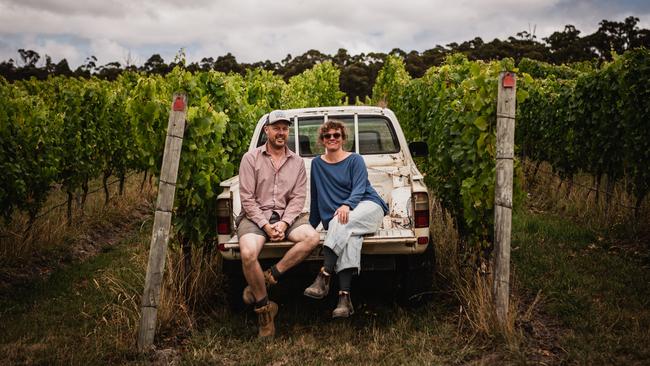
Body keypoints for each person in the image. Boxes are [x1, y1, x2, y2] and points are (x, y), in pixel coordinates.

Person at [237, 109, 320, 338]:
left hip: (287, 217)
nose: (281, 133)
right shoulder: (250, 158)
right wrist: (265, 225)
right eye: (276, 128)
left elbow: (297, 198)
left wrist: (283, 223)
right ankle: (265, 310)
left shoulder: (297, 162)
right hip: (256, 217)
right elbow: (247, 198)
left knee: (312, 238)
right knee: (247, 254)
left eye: (285, 128)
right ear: (267, 131)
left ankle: (270, 276)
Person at [304, 119, 388, 318]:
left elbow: (360, 188)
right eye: (327, 136)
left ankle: (324, 275)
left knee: (340, 221)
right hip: (343, 217)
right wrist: (308, 228)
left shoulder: (355, 159)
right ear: (322, 140)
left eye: (336, 135)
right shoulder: (317, 164)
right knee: (349, 236)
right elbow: (316, 199)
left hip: (368, 207)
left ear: (343, 138)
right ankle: (344, 298)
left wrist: (347, 205)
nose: (332, 138)